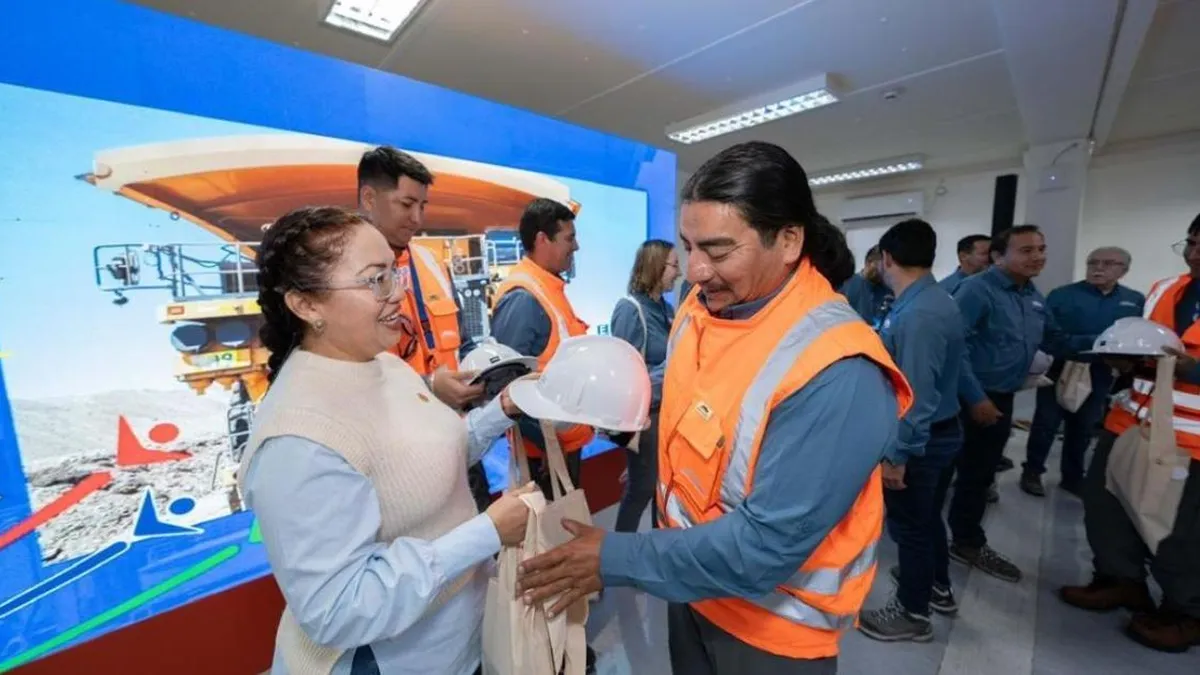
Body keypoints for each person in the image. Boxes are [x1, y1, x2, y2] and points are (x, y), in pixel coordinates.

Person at [514, 141, 913, 675]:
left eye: (719, 251)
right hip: (692, 588)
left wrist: (615, 557)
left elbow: (764, 547)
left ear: (789, 239)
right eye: (689, 246)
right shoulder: (701, 309)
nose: (696, 270)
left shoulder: (839, 369)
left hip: (771, 631)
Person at [238, 206, 536, 675]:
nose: (398, 295)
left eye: (395, 275)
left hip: (456, 640)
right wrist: (487, 533)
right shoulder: (298, 438)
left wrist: (501, 411)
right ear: (306, 305)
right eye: (376, 280)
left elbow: (428, 461)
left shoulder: (384, 364)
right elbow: (338, 610)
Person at [1060, 213, 1200, 653]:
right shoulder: (1163, 289)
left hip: (1190, 438)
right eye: (1191, 243)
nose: (1195, 255)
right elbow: (1142, 340)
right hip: (1130, 418)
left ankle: (1185, 610)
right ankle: (1120, 580)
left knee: (1177, 528)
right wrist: (1125, 362)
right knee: (1106, 503)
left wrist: (1190, 369)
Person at [950, 224, 1093, 583]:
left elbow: (1056, 337)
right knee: (958, 474)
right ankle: (955, 543)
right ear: (999, 256)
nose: (1038, 256)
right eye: (1027, 250)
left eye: (1041, 249)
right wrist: (976, 398)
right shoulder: (977, 291)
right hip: (970, 398)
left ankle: (964, 537)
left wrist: (1108, 346)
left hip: (1000, 397)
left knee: (981, 474)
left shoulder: (1030, 294)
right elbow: (954, 349)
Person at [858, 219, 966, 643]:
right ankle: (937, 586)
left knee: (911, 529)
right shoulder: (928, 301)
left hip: (922, 441)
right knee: (927, 521)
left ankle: (912, 613)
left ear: (887, 258)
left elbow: (916, 395)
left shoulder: (920, 313)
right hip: (939, 431)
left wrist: (897, 457)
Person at [357, 146, 483, 409]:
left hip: (451, 428)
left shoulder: (432, 263)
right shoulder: (341, 273)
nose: (417, 219)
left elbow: (464, 342)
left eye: (422, 206)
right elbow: (348, 384)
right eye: (406, 205)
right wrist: (429, 386)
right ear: (369, 199)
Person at [490, 197, 596, 498]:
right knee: (550, 539)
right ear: (542, 239)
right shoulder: (524, 299)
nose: (575, 247)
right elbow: (506, 388)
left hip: (562, 444)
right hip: (544, 455)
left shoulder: (549, 289)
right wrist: (548, 445)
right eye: (569, 238)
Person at [1019, 246, 1144, 498]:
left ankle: (1073, 477)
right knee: (1046, 423)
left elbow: (1135, 335)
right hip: (1061, 366)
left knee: (1084, 426)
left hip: (1102, 371)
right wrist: (1096, 341)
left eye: (1108, 263)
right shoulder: (1062, 296)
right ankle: (1032, 471)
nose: (1098, 268)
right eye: (1093, 262)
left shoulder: (1135, 300)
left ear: (1124, 270)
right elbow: (1046, 334)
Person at [609, 239, 680, 533]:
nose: (678, 273)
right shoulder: (631, 309)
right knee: (641, 489)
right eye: (674, 266)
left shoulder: (665, 308)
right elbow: (626, 373)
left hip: (667, 414)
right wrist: (674, 369)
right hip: (646, 418)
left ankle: (654, 553)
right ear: (656, 266)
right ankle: (617, 555)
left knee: (660, 490)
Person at [840, 245, 892, 327]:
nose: (884, 272)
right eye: (880, 266)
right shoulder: (849, 285)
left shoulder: (886, 289)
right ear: (869, 263)